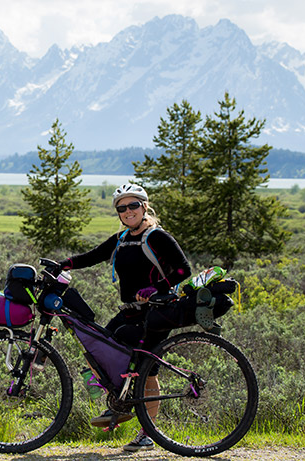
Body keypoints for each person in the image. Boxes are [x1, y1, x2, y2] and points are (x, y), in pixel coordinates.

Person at [58, 183, 191, 452]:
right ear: (118, 212)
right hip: (129, 311)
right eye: (122, 207)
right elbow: (93, 256)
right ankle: (118, 404)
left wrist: (157, 288)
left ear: (144, 206)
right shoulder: (121, 239)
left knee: (146, 372)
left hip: (156, 312)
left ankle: (148, 434)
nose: (128, 211)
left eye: (133, 205)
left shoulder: (157, 237)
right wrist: (62, 264)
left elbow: (183, 270)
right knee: (96, 349)